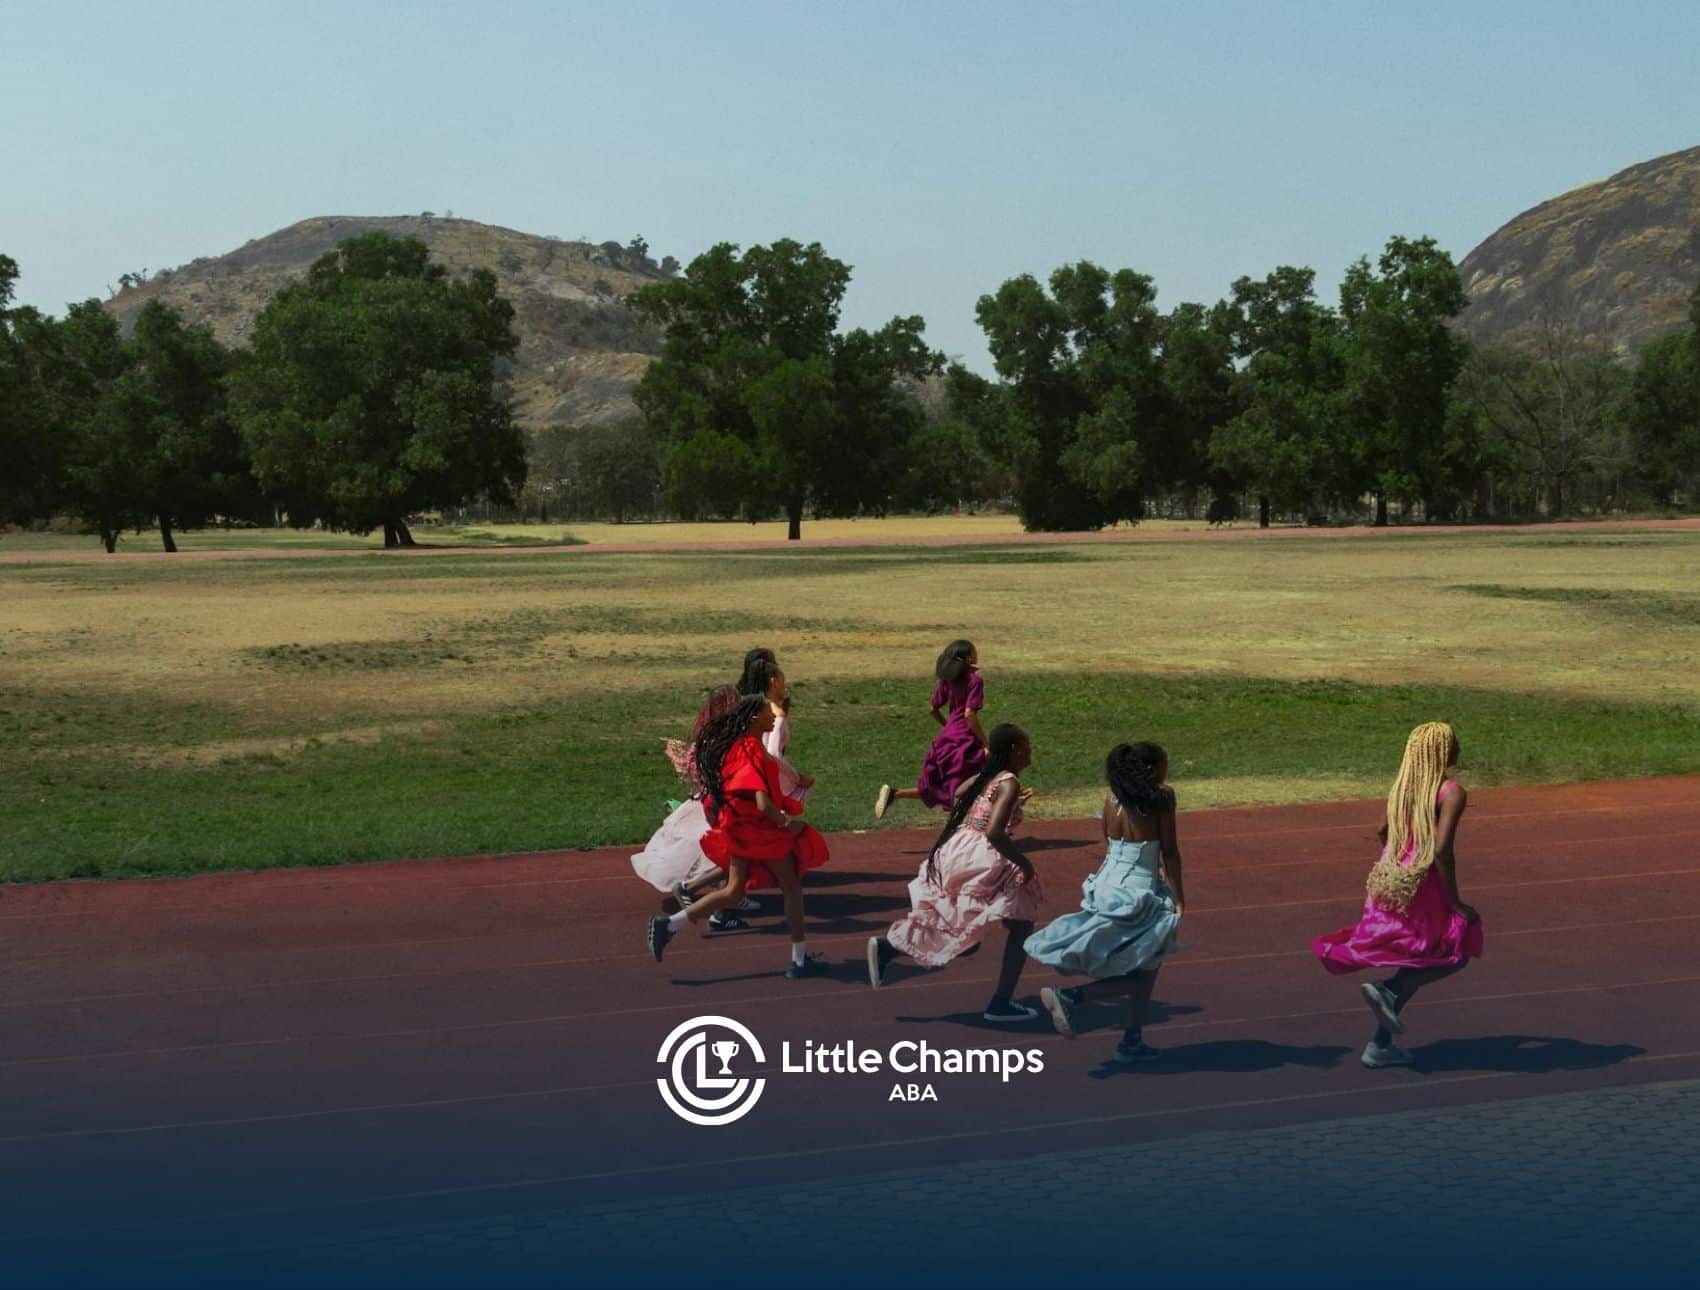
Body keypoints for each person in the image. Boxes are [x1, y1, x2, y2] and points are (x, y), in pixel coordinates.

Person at [1313, 721, 1483, 1069]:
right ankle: (1388, 991)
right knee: (1456, 948)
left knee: (1414, 958)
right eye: (1453, 743)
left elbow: (1381, 830)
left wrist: (1396, 856)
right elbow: (1442, 851)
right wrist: (1455, 903)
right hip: (1424, 883)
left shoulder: (1403, 788)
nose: (1459, 748)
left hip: (1392, 880)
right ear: (1440, 750)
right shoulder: (1451, 792)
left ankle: (1380, 1044)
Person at [866, 723, 1042, 1023]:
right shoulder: (1008, 783)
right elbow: (996, 832)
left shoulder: (992, 778)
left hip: (958, 848)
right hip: (985, 857)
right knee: (1019, 924)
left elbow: (960, 791)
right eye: (1026, 745)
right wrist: (1026, 864)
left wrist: (1001, 799)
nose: (1030, 751)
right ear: (1014, 750)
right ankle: (1000, 1004)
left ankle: (890, 948)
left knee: (968, 936)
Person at [647, 694, 830, 978]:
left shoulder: (743, 748)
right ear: (754, 718)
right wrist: (784, 822)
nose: (773, 716)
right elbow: (762, 803)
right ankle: (799, 961)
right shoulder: (752, 752)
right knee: (792, 887)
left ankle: (669, 925)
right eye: (768, 712)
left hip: (741, 830)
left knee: (733, 891)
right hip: (758, 832)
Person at [1030, 742, 1185, 1064]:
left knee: (1145, 964)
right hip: (1139, 890)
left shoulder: (1111, 798)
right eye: (1164, 765)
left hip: (1107, 883)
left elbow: (1111, 841)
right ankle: (1072, 997)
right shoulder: (1162, 797)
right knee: (1144, 967)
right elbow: (1169, 850)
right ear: (1152, 769)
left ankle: (1132, 1039)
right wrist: (1179, 895)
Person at [874, 639, 987, 819]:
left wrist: (948, 726)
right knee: (968, 785)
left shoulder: (948, 680)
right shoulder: (975, 681)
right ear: (968, 658)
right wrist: (985, 743)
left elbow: (933, 709)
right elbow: (969, 715)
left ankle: (895, 794)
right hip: (964, 741)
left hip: (946, 738)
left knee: (941, 787)